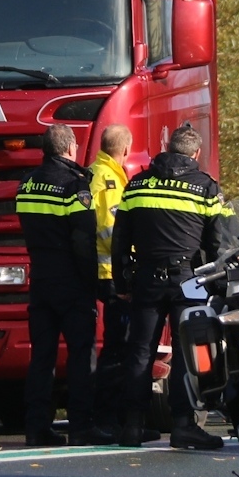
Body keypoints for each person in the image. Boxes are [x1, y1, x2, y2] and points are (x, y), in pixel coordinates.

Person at [110, 123, 227, 450]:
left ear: (168, 148)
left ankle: (132, 427)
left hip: (146, 277)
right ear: (196, 154)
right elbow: (215, 244)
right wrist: (218, 284)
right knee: (186, 352)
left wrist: (123, 281)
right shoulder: (206, 188)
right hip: (187, 280)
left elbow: (120, 240)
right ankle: (183, 425)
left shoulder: (137, 184)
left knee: (140, 351)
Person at [14, 124, 105, 446]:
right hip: (71, 282)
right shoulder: (74, 186)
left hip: (40, 279)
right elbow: (83, 241)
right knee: (81, 354)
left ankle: (37, 427)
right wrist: (90, 286)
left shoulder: (26, 184)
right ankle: (82, 425)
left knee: (43, 356)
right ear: (70, 148)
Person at [89, 124, 133, 436]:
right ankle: (108, 420)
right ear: (125, 150)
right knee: (118, 348)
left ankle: (114, 419)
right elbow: (111, 229)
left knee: (118, 346)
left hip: (103, 271)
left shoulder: (97, 172)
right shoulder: (109, 180)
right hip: (111, 273)